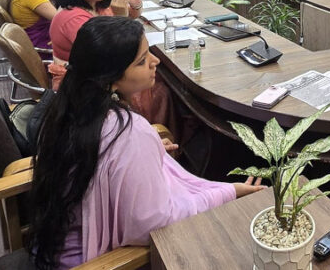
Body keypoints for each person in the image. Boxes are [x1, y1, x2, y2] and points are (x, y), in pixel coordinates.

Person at [29, 16, 266, 268]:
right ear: (110, 77)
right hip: (91, 262)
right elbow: (154, 224)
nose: (156, 61)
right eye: (142, 61)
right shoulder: (127, 134)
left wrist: (141, 155)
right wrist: (227, 193)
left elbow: (99, 162)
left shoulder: (68, 108)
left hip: (51, 246)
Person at [48, 0, 142, 89]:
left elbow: (131, 16)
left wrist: (136, 5)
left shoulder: (95, 3)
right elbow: (112, 55)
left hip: (101, 72)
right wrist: (120, 19)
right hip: (83, 85)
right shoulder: (74, 19)